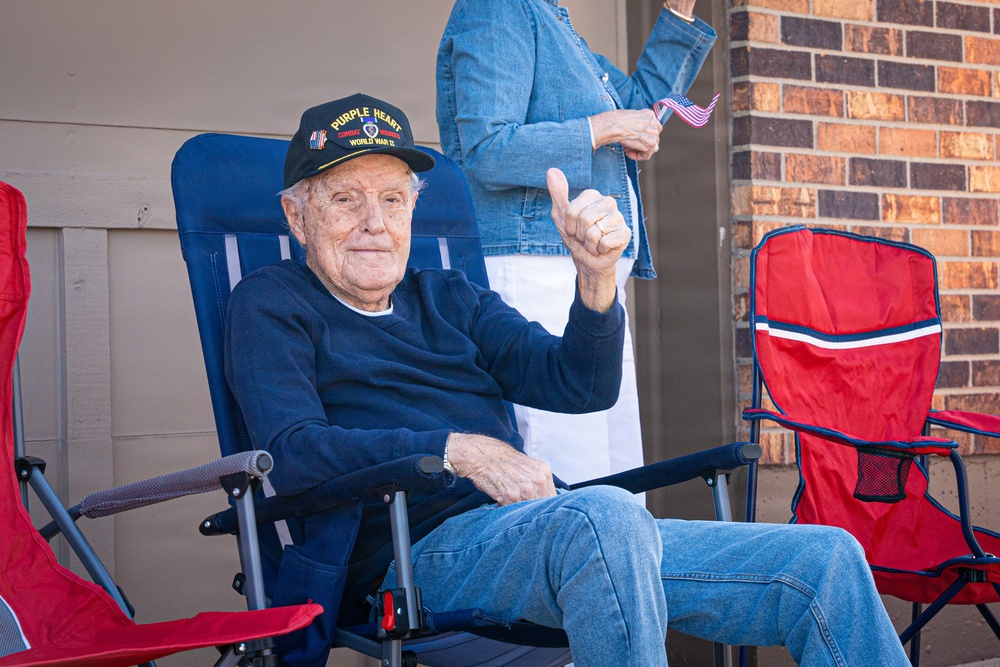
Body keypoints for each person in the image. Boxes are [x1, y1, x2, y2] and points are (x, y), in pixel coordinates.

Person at [225, 94, 910, 667]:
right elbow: (294, 451)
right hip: (409, 556)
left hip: (546, 534)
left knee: (826, 559)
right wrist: (457, 447)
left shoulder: (449, 296)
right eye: (346, 199)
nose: (375, 223)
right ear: (297, 216)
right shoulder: (272, 304)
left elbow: (578, 384)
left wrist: (597, 280)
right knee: (602, 515)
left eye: (393, 199)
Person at [436, 0, 718, 487]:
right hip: (533, 263)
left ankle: (616, 559)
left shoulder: (553, 22)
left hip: (588, 271)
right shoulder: (499, 9)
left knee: (617, 463)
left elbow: (640, 107)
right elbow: (487, 147)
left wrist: (677, 14)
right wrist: (605, 127)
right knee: (563, 455)